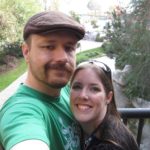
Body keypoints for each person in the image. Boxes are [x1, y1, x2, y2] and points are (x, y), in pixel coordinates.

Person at [0, 11, 85, 150]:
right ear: (27, 52)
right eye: (49, 47)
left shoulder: (67, 91)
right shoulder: (20, 111)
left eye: (69, 48)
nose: (62, 58)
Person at [70, 60, 139, 150]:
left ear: (108, 97)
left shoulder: (109, 146)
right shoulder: (111, 124)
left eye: (94, 89)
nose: (83, 95)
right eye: (77, 87)